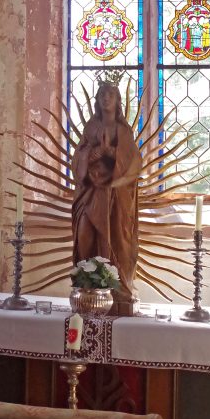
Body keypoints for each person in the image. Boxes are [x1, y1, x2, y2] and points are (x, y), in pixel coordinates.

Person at [72, 82, 142, 314]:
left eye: (110, 94)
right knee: (84, 234)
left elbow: (133, 164)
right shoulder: (92, 127)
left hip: (114, 197)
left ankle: (113, 287)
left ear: (118, 100)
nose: (105, 98)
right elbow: (79, 157)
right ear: (97, 100)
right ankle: (87, 283)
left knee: (112, 240)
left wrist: (111, 153)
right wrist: (92, 154)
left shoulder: (123, 131)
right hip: (91, 192)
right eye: (101, 94)